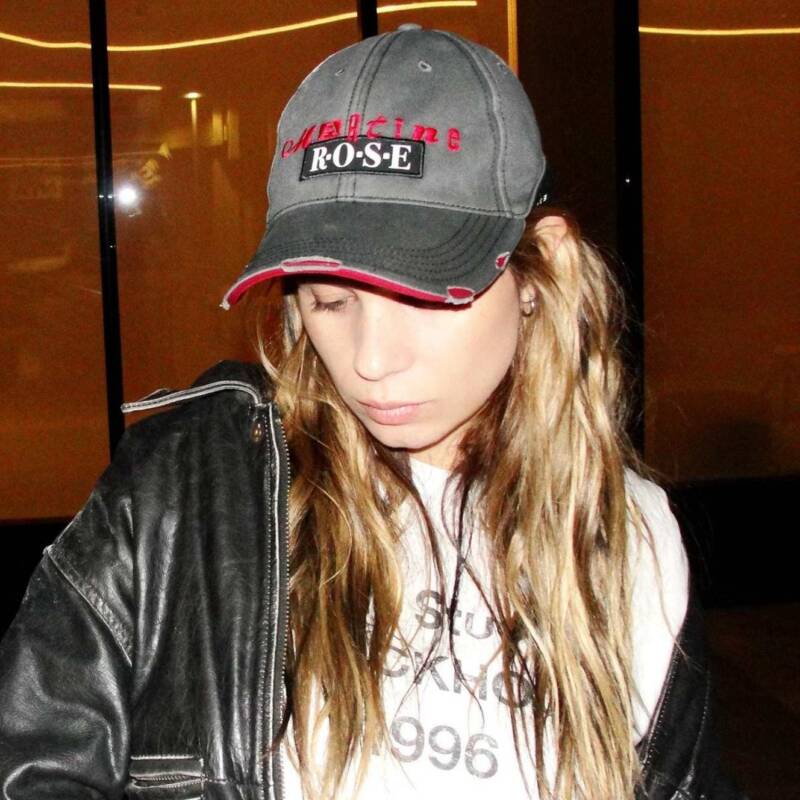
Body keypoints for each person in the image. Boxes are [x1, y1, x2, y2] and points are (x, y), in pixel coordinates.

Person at [0, 24, 746, 800]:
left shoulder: (631, 535)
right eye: (329, 300)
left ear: (540, 268)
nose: (370, 360)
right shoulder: (184, 493)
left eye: (424, 296)